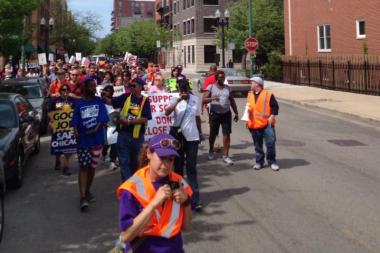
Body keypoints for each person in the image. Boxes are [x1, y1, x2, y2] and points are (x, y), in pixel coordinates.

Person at [117, 133, 193, 253]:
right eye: (162, 158)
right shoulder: (131, 188)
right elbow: (125, 237)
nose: (166, 164)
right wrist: (153, 205)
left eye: (170, 159)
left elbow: (187, 227)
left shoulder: (179, 182)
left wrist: (187, 202)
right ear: (149, 154)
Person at [71, 78, 109, 211]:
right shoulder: (79, 103)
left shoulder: (99, 101)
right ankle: (82, 197)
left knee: (92, 167)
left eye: (95, 86)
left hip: (96, 140)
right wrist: (75, 130)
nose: (94, 88)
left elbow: (103, 117)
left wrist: (96, 128)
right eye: (91, 86)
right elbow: (74, 119)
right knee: (83, 167)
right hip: (83, 141)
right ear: (85, 88)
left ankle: (87, 191)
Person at [165, 80, 203, 211]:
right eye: (181, 89)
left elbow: (197, 117)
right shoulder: (174, 98)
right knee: (178, 168)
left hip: (192, 137)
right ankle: (178, 197)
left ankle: (195, 200)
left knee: (192, 168)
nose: (184, 91)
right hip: (178, 138)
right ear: (178, 89)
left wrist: (200, 132)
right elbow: (167, 112)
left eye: (185, 89)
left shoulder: (195, 99)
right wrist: (178, 100)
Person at [104, 77, 152, 181]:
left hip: (137, 137)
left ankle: (135, 185)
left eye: (134, 86)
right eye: (130, 85)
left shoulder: (145, 101)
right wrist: (104, 96)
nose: (131, 88)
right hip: (123, 135)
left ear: (140, 87)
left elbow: (145, 119)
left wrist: (129, 122)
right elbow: (111, 102)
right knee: (124, 162)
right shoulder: (125, 97)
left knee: (136, 162)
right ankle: (127, 187)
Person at [202, 70, 239, 165]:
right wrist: (212, 98)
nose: (221, 79)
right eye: (219, 77)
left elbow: (232, 100)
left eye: (223, 77)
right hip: (215, 113)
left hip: (226, 114)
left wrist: (236, 113)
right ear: (216, 78)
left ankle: (226, 156)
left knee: (226, 134)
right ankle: (211, 149)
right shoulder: (211, 87)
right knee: (213, 134)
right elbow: (204, 100)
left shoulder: (227, 88)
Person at [246, 76, 280, 171]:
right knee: (257, 145)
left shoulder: (268, 94)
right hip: (254, 124)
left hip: (267, 124)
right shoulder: (250, 95)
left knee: (270, 143)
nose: (250, 84)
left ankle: (272, 161)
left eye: (252, 82)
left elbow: (275, 107)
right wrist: (247, 120)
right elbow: (248, 108)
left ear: (257, 84)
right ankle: (259, 162)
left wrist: (272, 115)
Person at [48, 84, 76, 175]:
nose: (65, 91)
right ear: (60, 91)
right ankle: (57, 160)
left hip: (69, 128)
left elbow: (76, 113)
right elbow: (49, 113)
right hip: (57, 128)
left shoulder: (73, 101)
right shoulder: (55, 100)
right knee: (58, 147)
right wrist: (51, 123)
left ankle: (66, 167)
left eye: (67, 90)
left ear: (69, 91)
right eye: (63, 90)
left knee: (68, 147)